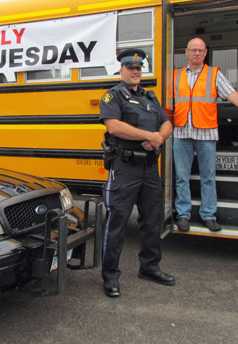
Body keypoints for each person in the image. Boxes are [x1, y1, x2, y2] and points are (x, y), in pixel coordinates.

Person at [170, 38, 238, 233]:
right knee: (181, 177)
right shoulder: (175, 75)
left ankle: (208, 215)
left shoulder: (214, 74)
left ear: (205, 53)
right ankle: (183, 215)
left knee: (208, 177)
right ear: (187, 53)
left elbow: (231, 94)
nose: (197, 53)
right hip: (181, 132)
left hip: (206, 133)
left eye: (200, 50)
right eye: (193, 50)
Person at [99, 48, 174, 298]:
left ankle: (150, 268)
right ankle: (110, 277)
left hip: (150, 168)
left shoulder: (150, 98)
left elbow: (167, 123)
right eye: (130, 68)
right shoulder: (113, 97)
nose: (135, 72)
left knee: (152, 221)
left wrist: (159, 138)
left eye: (138, 68)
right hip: (125, 168)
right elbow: (114, 126)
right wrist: (148, 136)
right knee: (117, 223)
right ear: (121, 70)